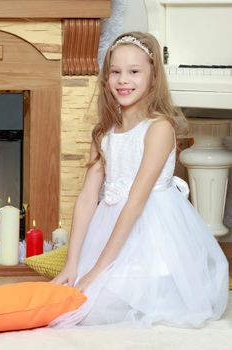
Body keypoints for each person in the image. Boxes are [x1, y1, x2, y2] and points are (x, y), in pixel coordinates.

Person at [51, 32, 228, 328]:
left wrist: (96, 271)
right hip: (110, 228)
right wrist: (73, 263)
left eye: (134, 72)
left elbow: (136, 202)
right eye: (115, 73)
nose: (124, 80)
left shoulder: (158, 128)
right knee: (74, 302)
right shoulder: (103, 133)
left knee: (96, 307)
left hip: (150, 228)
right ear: (106, 78)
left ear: (153, 76)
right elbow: (86, 198)